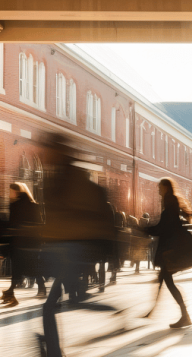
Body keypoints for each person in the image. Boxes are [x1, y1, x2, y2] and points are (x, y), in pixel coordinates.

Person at [39, 133, 117, 356]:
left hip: (73, 250)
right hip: (63, 249)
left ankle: (54, 351)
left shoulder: (74, 179)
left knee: (51, 306)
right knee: (75, 301)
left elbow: (84, 217)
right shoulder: (55, 178)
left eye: (48, 150)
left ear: (58, 151)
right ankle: (117, 314)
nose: (45, 155)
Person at [146, 178, 192, 328]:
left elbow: (164, 228)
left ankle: (185, 315)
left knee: (168, 281)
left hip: (170, 250)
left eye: (160, 187)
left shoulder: (169, 205)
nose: (158, 189)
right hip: (170, 249)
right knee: (164, 279)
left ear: (166, 187)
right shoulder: (171, 203)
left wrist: (145, 229)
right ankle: (151, 311)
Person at [1, 182, 44, 307]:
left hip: (21, 243)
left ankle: (11, 292)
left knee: (24, 268)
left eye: (11, 191)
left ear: (17, 191)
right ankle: (11, 292)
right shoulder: (32, 205)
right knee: (28, 268)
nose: (10, 194)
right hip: (31, 243)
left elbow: (12, 224)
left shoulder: (15, 205)